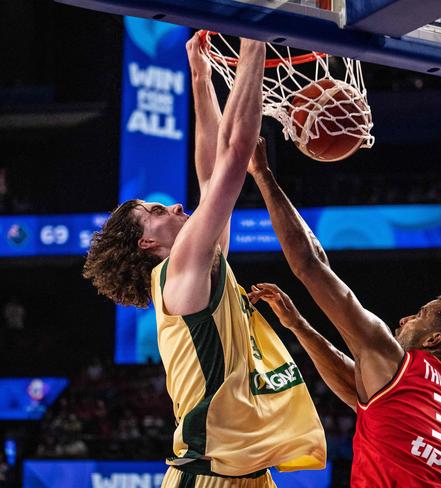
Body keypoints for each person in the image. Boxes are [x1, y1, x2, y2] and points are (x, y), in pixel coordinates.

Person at [83, 34, 325, 487]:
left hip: (242, 473)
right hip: (208, 474)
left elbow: (212, 171)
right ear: (145, 245)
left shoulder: (199, 268)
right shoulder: (177, 273)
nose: (175, 206)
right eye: (155, 213)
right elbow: (232, 160)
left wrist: (200, 74)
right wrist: (255, 44)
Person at [246, 139, 441, 487]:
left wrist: (264, 175)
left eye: (420, 314)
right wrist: (299, 326)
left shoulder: (395, 360)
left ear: (435, 338)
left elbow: (310, 265)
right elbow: (355, 386)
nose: (405, 319)